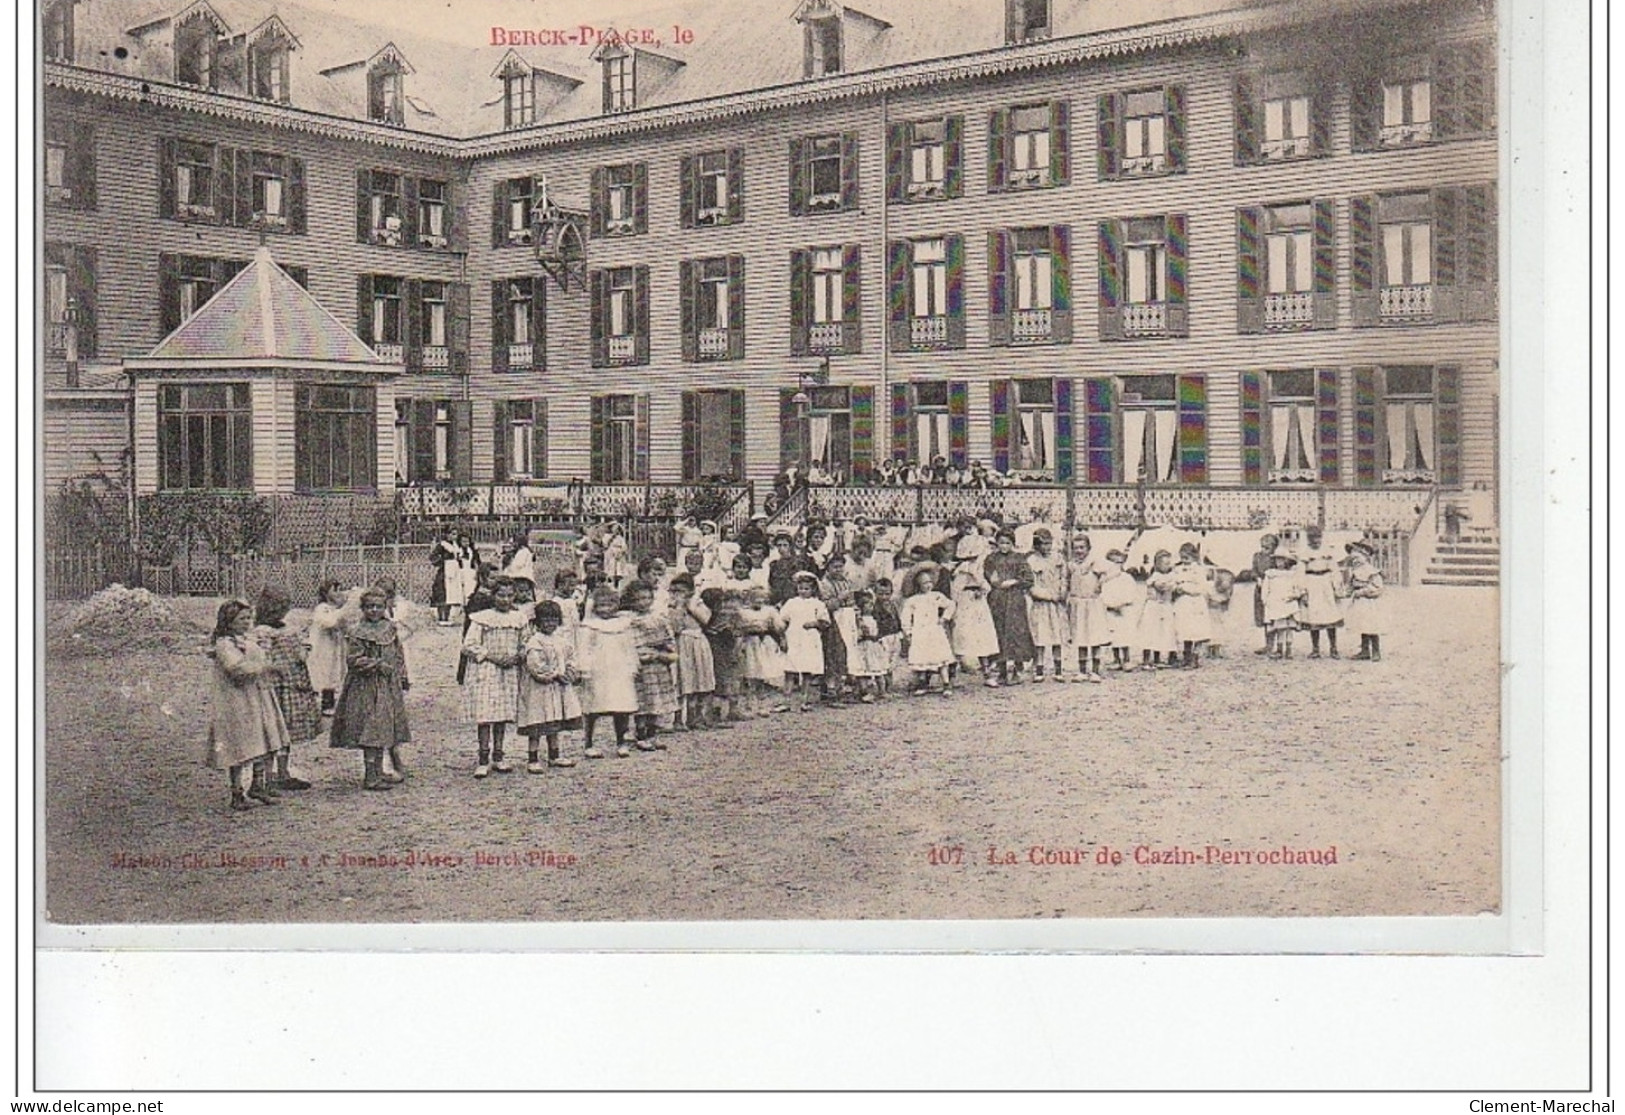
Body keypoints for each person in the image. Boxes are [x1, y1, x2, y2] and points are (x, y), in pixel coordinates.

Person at [205, 599, 289, 811]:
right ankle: (236, 792)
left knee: (263, 738)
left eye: (248, 618)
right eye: (241, 619)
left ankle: (257, 785)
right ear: (229, 621)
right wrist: (264, 667)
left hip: (257, 696)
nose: (246, 622)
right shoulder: (225, 644)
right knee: (240, 745)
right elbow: (236, 669)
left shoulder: (247, 639)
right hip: (237, 700)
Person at [329, 588, 412, 791]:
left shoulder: (390, 628)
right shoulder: (358, 632)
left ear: (385, 607)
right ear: (363, 608)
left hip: (388, 686)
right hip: (366, 688)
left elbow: (398, 653)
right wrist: (376, 664)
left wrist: (402, 675)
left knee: (384, 726)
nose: (374, 610)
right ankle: (370, 776)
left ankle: (379, 770)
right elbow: (353, 659)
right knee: (371, 728)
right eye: (369, 607)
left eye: (378, 606)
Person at [461, 576, 528, 777]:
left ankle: (499, 756)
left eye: (509, 595)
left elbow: (526, 642)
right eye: (500, 595)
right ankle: (483, 758)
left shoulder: (520, 618)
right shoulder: (482, 618)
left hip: (508, 671)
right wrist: (491, 656)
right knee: (485, 714)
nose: (505, 600)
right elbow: (469, 645)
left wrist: (517, 656)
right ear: (493, 595)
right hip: (487, 670)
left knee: (502, 715)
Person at [253, 587, 317, 791]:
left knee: (286, 731)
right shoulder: (262, 632)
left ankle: (282, 772)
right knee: (273, 731)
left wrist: (303, 647)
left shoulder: (285, 628)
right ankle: (269, 775)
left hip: (292, 684)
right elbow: (262, 658)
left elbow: (298, 654)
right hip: (276, 685)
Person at [516, 600, 582, 772]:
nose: (550, 624)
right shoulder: (535, 642)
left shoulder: (562, 640)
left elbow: (571, 658)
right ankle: (532, 758)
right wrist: (553, 674)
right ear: (538, 621)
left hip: (558, 688)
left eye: (553, 619)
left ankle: (554, 755)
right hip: (540, 689)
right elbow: (535, 665)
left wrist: (569, 672)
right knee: (537, 723)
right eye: (545, 620)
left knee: (554, 721)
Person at [577, 584, 641, 758]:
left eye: (610, 605)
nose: (605, 609)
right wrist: (584, 669)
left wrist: (632, 666)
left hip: (619, 671)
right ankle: (589, 743)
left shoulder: (623, 625)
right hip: (598, 671)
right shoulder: (590, 626)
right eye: (601, 605)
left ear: (617, 604)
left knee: (621, 707)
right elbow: (584, 649)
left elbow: (629, 647)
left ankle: (621, 741)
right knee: (593, 707)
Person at [984, 529, 1036, 684]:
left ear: (1012, 544)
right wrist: (995, 581)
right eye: (1001, 543)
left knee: (1016, 632)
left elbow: (1028, 579)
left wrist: (1014, 581)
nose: (1004, 546)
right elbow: (989, 576)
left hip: (1014, 599)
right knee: (999, 631)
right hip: (997, 599)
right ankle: (1000, 669)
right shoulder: (991, 558)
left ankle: (1016, 669)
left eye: (1007, 543)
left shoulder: (1019, 558)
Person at [948, 536, 1000, 687]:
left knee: (981, 636)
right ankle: (952, 675)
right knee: (962, 636)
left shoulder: (977, 568)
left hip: (978, 605)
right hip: (965, 604)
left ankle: (986, 672)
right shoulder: (962, 570)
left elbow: (986, 585)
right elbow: (956, 590)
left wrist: (982, 591)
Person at [667, 574, 716, 730]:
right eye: (674, 591)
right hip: (681, 643)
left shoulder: (698, 603)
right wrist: (678, 608)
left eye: (681, 590)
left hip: (698, 642)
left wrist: (691, 607)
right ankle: (677, 719)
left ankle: (695, 717)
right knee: (682, 680)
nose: (677, 594)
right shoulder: (671, 607)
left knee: (699, 679)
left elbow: (706, 620)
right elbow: (675, 627)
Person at [899, 565, 956, 696]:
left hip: (934, 630)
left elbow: (951, 605)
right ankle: (923, 683)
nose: (928, 585)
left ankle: (946, 683)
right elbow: (905, 618)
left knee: (941, 657)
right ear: (918, 585)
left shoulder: (936, 596)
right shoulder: (912, 600)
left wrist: (944, 618)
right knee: (922, 658)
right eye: (924, 583)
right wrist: (908, 632)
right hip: (920, 631)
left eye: (930, 582)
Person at [778, 571, 830, 713]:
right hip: (794, 638)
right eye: (800, 588)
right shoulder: (791, 602)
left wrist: (814, 623)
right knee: (790, 670)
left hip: (809, 639)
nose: (803, 591)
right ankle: (786, 701)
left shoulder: (817, 604)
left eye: (806, 589)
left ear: (813, 589)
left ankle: (804, 700)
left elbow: (825, 622)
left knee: (806, 671)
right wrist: (782, 637)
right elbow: (782, 620)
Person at [736, 584, 788, 716]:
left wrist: (781, 634)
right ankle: (749, 704)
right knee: (750, 673)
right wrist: (746, 629)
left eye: (762, 598)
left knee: (762, 673)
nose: (759, 601)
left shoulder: (769, 611)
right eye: (756, 598)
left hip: (764, 643)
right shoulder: (742, 611)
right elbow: (738, 627)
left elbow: (779, 627)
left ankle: (762, 704)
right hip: (749, 642)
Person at [1025, 528, 1069, 681]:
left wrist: (1062, 592)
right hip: (1041, 604)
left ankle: (1058, 670)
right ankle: (1039, 670)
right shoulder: (1032, 561)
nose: (1047, 547)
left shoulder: (1058, 558)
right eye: (1043, 544)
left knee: (1057, 636)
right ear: (1036, 545)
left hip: (1056, 604)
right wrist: (1046, 595)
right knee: (1040, 637)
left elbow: (1063, 577)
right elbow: (1031, 584)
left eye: (1049, 544)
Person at [1065, 534, 1110, 683]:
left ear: (1088, 548)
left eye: (1082, 547)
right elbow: (1067, 582)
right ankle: (1082, 670)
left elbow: (1108, 572)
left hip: (1092, 603)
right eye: (1076, 548)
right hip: (1078, 604)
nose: (1079, 551)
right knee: (1081, 637)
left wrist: (1099, 584)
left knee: (1094, 637)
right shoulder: (1071, 565)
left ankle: (1095, 671)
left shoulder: (1094, 562)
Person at [1297, 525, 1344, 659]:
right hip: (1312, 584)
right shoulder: (1304, 554)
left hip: (1326, 584)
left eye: (1318, 538)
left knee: (1331, 616)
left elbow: (1334, 570)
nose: (1316, 541)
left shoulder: (1327, 552)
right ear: (1308, 540)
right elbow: (1300, 574)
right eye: (1312, 538)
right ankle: (1315, 648)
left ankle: (1333, 648)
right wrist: (1303, 591)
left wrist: (1336, 586)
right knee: (1314, 617)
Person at [307, 578, 348, 715]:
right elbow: (329, 623)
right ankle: (323, 704)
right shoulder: (322, 609)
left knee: (333, 672)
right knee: (324, 673)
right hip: (323, 647)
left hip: (334, 646)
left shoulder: (336, 609)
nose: (338, 593)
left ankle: (330, 702)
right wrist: (344, 612)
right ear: (325, 593)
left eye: (340, 590)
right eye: (335, 590)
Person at [820, 554, 858, 702]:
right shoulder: (825, 584)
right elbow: (826, 605)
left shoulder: (846, 582)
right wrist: (840, 598)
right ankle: (830, 690)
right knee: (833, 654)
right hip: (834, 621)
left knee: (848, 652)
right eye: (834, 567)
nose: (838, 570)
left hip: (848, 621)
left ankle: (844, 687)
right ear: (828, 568)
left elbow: (853, 603)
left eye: (840, 567)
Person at [1171, 542, 1214, 668]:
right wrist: (1176, 588)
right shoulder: (1177, 569)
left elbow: (1201, 587)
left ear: (1194, 557)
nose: (1184, 561)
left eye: (1187, 558)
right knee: (1185, 630)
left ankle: (1195, 657)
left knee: (1198, 631)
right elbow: (1173, 581)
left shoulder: (1199, 570)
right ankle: (1186, 655)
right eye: (1182, 558)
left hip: (1195, 603)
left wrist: (1185, 588)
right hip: (1183, 604)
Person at [1137, 550, 1181, 670]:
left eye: (1169, 563)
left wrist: (1173, 585)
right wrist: (1170, 585)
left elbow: (1175, 586)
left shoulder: (1172, 575)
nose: (1168, 566)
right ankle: (1147, 659)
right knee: (1150, 631)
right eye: (1165, 563)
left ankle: (1163, 657)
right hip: (1154, 606)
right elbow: (1160, 586)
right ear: (1157, 564)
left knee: (1166, 631)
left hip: (1166, 606)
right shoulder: (1155, 575)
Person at [1343, 541, 1387, 662]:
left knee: (1371, 626)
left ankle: (1376, 651)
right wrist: (1346, 592)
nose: (1355, 561)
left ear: (1366, 557)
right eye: (1353, 559)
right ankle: (1365, 650)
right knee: (1362, 625)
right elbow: (1350, 586)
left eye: (1357, 558)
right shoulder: (1355, 572)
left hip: (1369, 602)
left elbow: (1378, 588)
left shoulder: (1371, 571)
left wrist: (1362, 592)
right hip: (1359, 603)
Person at [1099, 549, 1141, 671]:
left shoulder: (1126, 578)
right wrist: (1110, 605)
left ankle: (1127, 659)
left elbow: (1131, 593)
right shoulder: (1105, 579)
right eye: (1112, 562)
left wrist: (1122, 604)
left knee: (1124, 636)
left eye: (1119, 562)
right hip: (1111, 610)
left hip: (1124, 611)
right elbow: (1102, 594)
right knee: (1114, 636)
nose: (1116, 565)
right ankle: (1116, 659)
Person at [1262, 552, 1308, 659]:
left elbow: (1298, 588)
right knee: (1280, 628)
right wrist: (1266, 601)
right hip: (1276, 603)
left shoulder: (1291, 575)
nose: (1280, 563)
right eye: (1277, 560)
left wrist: (1294, 596)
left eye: (1282, 560)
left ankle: (1289, 650)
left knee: (1289, 628)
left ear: (1287, 561)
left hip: (1289, 603)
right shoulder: (1270, 574)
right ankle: (1279, 649)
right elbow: (1265, 589)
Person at [850, 590, 890, 703]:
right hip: (863, 648)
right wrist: (861, 632)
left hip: (873, 647)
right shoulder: (858, 621)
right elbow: (857, 635)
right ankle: (865, 692)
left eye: (871, 604)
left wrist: (878, 638)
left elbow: (877, 632)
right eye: (867, 604)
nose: (870, 607)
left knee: (878, 670)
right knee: (862, 671)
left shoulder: (873, 619)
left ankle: (882, 691)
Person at [1248, 534, 1280, 655]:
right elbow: (1254, 571)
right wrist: (1257, 579)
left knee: (1274, 615)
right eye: (1262, 547)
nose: (1264, 550)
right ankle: (1268, 644)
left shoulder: (1276, 558)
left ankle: (1279, 644)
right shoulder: (1257, 557)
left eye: (1267, 547)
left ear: (1274, 547)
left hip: (1274, 589)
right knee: (1264, 616)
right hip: (1261, 588)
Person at [429, 528, 460, 626]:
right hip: (444, 571)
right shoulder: (442, 545)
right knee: (442, 593)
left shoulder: (456, 545)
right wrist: (443, 562)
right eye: (452, 534)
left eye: (455, 534)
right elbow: (433, 557)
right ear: (447, 534)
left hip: (455, 571)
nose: (453, 536)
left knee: (452, 593)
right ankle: (442, 617)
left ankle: (448, 617)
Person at [501, 528, 536, 602]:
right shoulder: (519, 552)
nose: (512, 544)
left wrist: (508, 567)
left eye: (513, 542)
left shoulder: (524, 552)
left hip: (520, 577)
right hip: (517, 577)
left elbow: (517, 566)